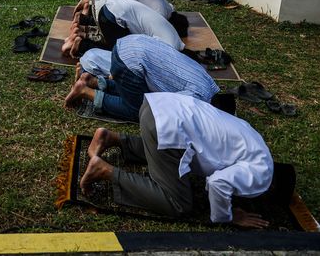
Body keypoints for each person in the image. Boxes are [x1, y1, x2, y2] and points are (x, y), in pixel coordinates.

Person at [79, 92, 274, 227]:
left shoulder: (256, 143)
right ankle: (105, 171)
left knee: (168, 150)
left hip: (158, 105)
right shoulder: (261, 173)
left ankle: (113, 138)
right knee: (179, 204)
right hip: (166, 126)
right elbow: (217, 183)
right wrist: (229, 217)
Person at [64, 35, 218, 121]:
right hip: (130, 62)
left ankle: (93, 81)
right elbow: (164, 107)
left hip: (128, 44)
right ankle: (85, 91)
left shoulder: (210, 83)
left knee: (141, 93)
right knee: (138, 110)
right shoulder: (199, 98)